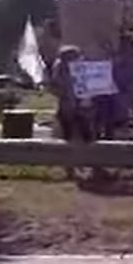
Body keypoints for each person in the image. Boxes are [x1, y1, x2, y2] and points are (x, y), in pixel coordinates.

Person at [51, 45, 100, 180]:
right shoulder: (61, 70)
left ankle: (80, 167)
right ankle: (73, 168)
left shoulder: (79, 69)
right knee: (77, 139)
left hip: (78, 109)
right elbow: (58, 89)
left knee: (83, 139)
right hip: (71, 109)